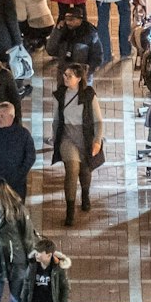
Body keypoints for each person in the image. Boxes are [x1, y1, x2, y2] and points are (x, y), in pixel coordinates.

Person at [52, 64, 104, 225]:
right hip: (67, 138)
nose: (65, 78)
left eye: (69, 76)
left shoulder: (88, 95)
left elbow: (98, 121)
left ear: (79, 78)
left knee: (85, 170)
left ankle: (85, 195)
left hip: (85, 138)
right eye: (65, 75)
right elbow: (55, 120)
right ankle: (70, 212)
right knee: (72, 169)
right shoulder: (60, 95)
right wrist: (55, 140)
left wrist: (97, 141)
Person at [0, 101, 38, 198]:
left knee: (16, 210)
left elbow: (30, 156)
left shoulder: (23, 134)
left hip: (17, 183)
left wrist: (20, 173)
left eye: (2, 116)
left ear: (11, 117)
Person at [46, 3, 103, 72]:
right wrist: (57, 31)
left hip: (81, 73)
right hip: (64, 72)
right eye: (66, 19)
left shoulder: (89, 33)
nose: (68, 22)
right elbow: (50, 50)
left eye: (71, 19)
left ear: (80, 20)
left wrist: (90, 70)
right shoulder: (62, 31)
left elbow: (97, 53)